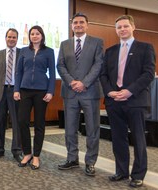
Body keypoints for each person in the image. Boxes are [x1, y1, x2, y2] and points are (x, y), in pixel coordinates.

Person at [100, 15, 155, 188]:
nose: (122, 29)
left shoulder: (145, 48)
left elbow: (148, 74)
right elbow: (103, 75)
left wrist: (129, 91)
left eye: (125, 26)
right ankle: (121, 171)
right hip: (114, 101)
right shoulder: (110, 51)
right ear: (116, 30)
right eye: (119, 27)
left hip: (135, 101)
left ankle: (138, 174)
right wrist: (110, 91)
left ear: (133, 27)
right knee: (118, 138)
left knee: (138, 139)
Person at [56, 13, 104, 176]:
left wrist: (84, 83)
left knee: (92, 129)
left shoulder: (97, 42)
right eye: (75, 22)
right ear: (71, 26)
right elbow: (60, 66)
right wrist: (72, 82)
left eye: (81, 22)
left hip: (90, 92)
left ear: (87, 25)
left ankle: (90, 162)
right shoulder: (64, 44)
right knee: (70, 129)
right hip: (70, 92)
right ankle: (72, 159)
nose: (78, 25)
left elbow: (98, 65)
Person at [13, 25, 55, 169]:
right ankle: (27, 153)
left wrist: (50, 91)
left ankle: (36, 156)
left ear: (42, 36)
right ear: (29, 36)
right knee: (22, 121)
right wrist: (16, 89)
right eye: (32, 34)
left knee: (39, 124)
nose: (35, 36)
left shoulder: (49, 52)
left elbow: (52, 74)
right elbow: (18, 72)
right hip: (24, 90)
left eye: (37, 34)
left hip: (41, 92)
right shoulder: (24, 51)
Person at [0, 28, 22, 162]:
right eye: (9, 37)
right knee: (0, 123)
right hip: (1, 92)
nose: (11, 39)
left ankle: (17, 150)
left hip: (16, 92)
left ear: (17, 39)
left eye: (14, 37)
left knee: (16, 123)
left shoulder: (22, 53)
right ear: (5, 38)